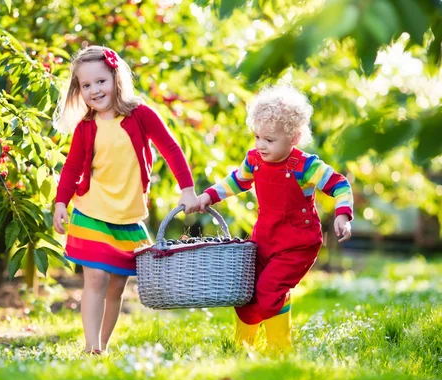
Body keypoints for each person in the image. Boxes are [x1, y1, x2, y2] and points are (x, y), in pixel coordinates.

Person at [52, 45, 198, 354]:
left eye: (100, 81)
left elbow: (171, 149)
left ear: (116, 78)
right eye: (86, 85)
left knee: (117, 285)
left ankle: (102, 344)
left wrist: (187, 189)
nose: (94, 90)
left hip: (127, 216)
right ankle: (92, 348)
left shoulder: (140, 115)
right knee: (95, 279)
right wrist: (61, 202)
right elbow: (72, 168)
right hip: (91, 210)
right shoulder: (86, 127)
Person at [198, 85, 353, 352]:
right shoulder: (255, 159)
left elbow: (339, 185)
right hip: (265, 238)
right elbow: (237, 180)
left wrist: (343, 215)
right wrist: (209, 196)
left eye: (269, 140)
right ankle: (241, 347)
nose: (261, 145)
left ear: (292, 137)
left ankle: (280, 348)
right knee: (246, 292)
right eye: (257, 136)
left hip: (297, 243)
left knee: (269, 291)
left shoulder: (305, 165)